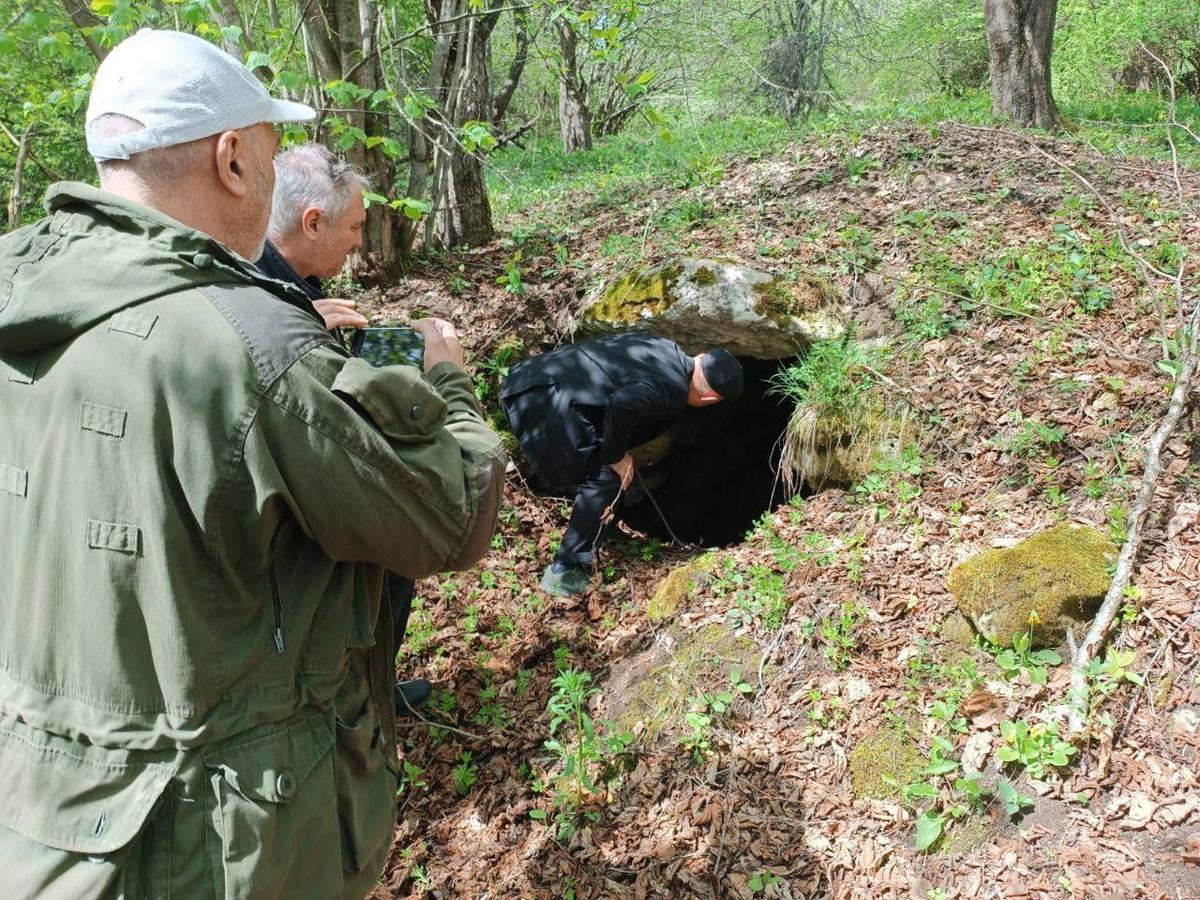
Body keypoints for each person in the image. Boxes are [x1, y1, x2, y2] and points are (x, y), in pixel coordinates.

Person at [0, 28, 505, 899]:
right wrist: (449, 380)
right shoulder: (246, 340)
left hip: (38, 822)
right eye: (269, 155)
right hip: (217, 844)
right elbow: (453, 516)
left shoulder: (18, 287)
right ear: (232, 159)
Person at [254, 143, 428, 714]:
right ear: (313, 222)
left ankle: (367, 689)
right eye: (353, 227)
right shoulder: (260, 293)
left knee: (389, 570)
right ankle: (353, 703)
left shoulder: (282, 280)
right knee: (390, 561)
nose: (359, 240)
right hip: (281, 506)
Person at [501, 333, 743, 596]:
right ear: (710, 400)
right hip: (541, 403)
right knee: (606, 478)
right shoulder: (672, 391)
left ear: (700, 357)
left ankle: (600, 528)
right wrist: (617, 456)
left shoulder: (663, 346)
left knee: (607, 466)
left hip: (524, 378)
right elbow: (623, 404)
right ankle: (565, 571)